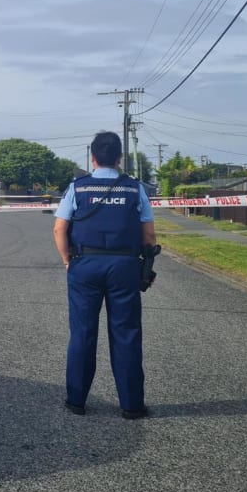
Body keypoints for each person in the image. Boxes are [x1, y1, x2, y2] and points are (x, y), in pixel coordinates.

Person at [52, 131, 157, 419]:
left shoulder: (78, 187)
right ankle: (132, 405)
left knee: (82, 333)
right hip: (124, 266)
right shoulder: (136, 189)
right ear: (120, 158)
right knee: (126, 334)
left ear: (93, 157)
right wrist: (145, 266)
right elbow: (148, 234)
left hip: (85, 264)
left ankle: (76, 400)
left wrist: (66, 261)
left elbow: (60, 229)